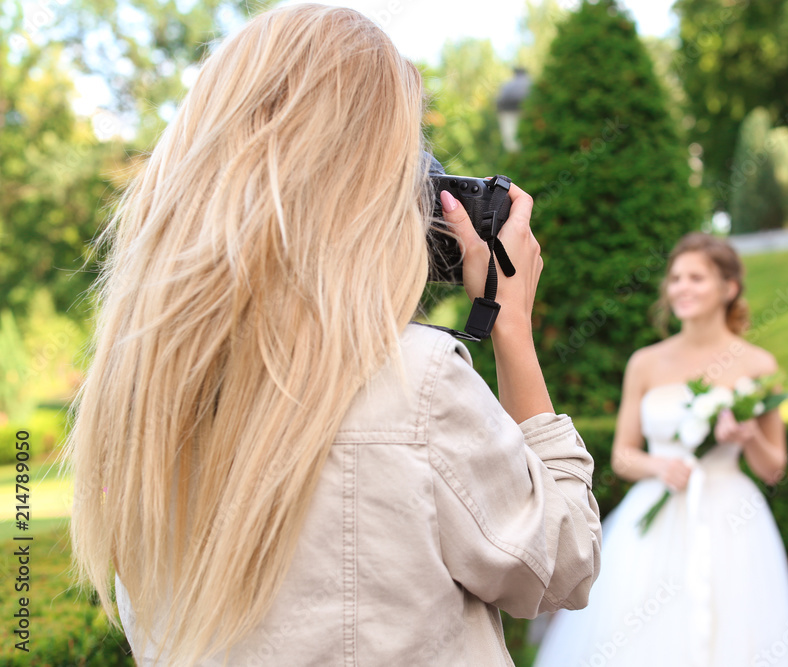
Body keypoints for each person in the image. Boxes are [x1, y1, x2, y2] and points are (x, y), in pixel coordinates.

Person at [59, 5, 602, 666]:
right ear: (370, 190)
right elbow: (562, 563)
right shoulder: (415, 382)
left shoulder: (142, 397)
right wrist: (509, 321)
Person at [532, 231, 788, 667]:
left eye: (696, 278)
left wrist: (749, 435)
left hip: (733, 519)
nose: (681, 287)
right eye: (675, 278)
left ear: (729, 288)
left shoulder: (758, 365)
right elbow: (624, 456)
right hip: (656, 519)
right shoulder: (646, 362)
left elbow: (774, 468)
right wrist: (660, 466)